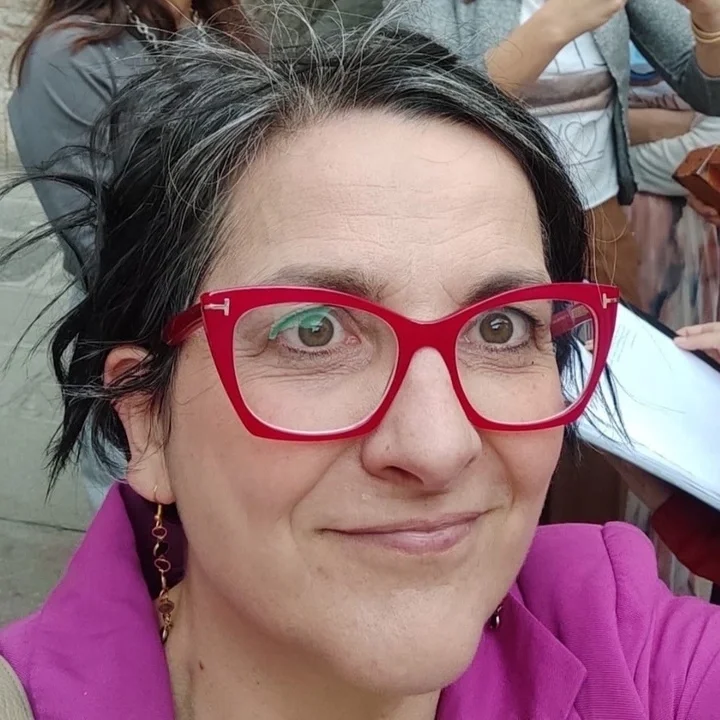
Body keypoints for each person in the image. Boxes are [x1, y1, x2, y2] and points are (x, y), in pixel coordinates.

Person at [1, 21, 720, 719]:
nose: (437, 448)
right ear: (146, 421)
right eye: (312, 332)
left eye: (500, 328)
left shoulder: (629, 644)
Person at [8, 0, 262, 508]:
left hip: (238, 309)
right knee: (145, 511)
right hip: (145, 328)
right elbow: (94, 241)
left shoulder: (217, 30)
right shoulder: (71, 55)